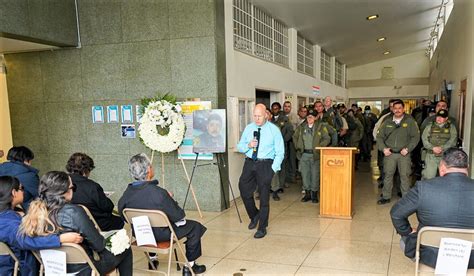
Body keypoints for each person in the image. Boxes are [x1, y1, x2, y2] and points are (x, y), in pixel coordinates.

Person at [20, 171, 133, 276]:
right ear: (64, 193)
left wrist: (59, 239)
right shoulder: (74, 212)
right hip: (84, 269)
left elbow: (24, 240)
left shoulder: (32, 214)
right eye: (73, 188)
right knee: (126, 247)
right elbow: (98, 245)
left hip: (52, 268)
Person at [118, 153, 207, 275]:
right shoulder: (159, 193)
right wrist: (170, 199)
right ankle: (190, 266)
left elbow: (123, 215)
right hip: (163, 235)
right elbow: (179, 215)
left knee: (146, 222)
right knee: (195, 227)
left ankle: (152, 259)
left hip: (140, 235)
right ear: (149, 170)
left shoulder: (126, 194)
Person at [390, 148, 474, 268]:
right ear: (468, 167)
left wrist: (408, 231)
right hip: (471, 258)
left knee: (405, 240)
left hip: (431, 256)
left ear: (442, 166)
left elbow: (396, 214)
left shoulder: (424, 188)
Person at [0, 176, 83, 276]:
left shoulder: (9, 216)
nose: (23, 192)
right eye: (22, 188)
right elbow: (26, 240)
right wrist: (60, 239)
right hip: (15, 269)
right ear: (14, 192)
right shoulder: (7, 222)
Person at [237, 103, 284, 239]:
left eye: (259, 116)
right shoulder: (249, 128)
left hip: (265, 164)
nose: (257, 119)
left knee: (264, 197)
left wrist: (273, 169)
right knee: (244, 189)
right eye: (255, 116)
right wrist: (248, 145)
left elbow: (280, 153)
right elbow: (240, 146)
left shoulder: (274, 130)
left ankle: (262, 227)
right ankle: (254, 215)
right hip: (249, 162)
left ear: (266, 115)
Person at [66, 152, 125, 231]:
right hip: (98, 224)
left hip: (72, 224)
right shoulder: (92, 186)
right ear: (86, 170)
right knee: (124, 221)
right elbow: (108, 207)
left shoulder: (62, 183)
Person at [376, 100, 420, 205]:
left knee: (404, 175)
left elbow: (415, 137)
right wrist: (383, 149)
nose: (397, 110)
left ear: (403, 109)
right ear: (392, 109)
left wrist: (408, 149)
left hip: (404, 154)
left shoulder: (410, 121)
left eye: (400, 108)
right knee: (388, 175)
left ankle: (406, 197)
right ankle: (386, 196)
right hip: (390, 154)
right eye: (395, 108)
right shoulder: (386, 122)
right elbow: (379, 137)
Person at [293, 109, 330, 203]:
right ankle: (307, 193)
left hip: (315, 155)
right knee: (305, 175)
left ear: (315, 117)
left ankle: (314, 194)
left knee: (315, 175)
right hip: (304, 154)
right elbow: (295, 137)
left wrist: (320, 147)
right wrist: (298, 146)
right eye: (308, 117)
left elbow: (327, 138)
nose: (310, 118)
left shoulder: (321, 127)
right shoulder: (301, 127)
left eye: (312, 117)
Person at [421, 110, 457, 179]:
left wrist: (442, 148)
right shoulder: (430, 126)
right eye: (438, 116)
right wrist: (432, 148)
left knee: (446, 177)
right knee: (428, 176)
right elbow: (424, 139)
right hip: (431, 155)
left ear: (446, 118)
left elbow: (453, 141)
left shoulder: (451, 127)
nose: (439, 118)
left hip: (445, 156)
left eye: (442, 117)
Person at [0, 146, 39, 210]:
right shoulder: (29, 176)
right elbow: (38, 195)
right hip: (24, 210)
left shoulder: (1, 168)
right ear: (26, 159)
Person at [270, 102, 293, 197]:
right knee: (273, 167)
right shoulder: (269, 119)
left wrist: (283, 141)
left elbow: (290, 131)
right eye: (273, 108)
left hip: (282, 146)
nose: (275, 110)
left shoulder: (284, 119)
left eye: (276, 108)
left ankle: (280, 186)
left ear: (279, 109)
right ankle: (272, 186)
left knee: (282, 166)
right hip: (271, 147)